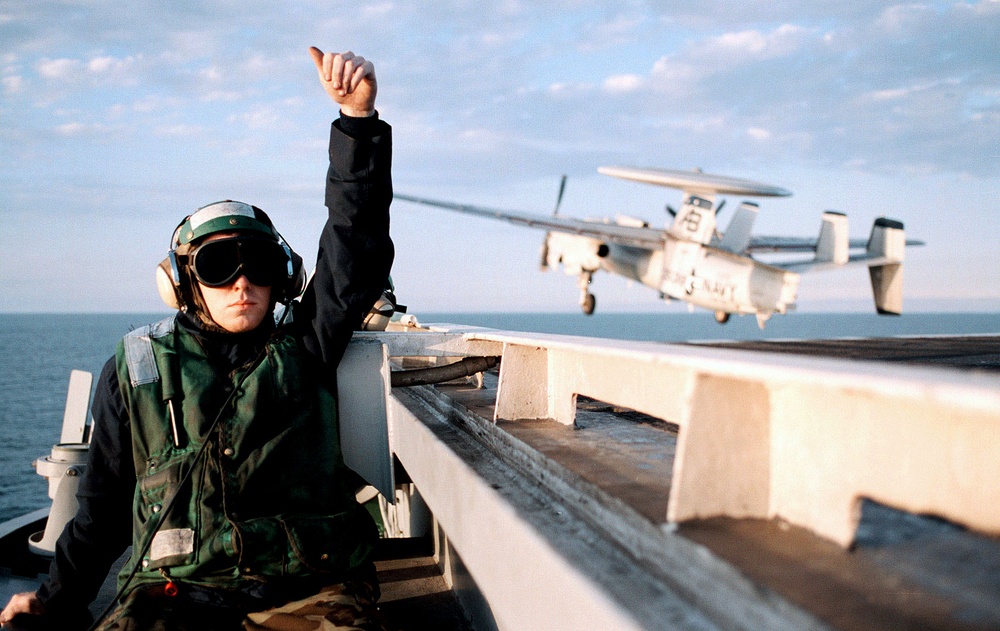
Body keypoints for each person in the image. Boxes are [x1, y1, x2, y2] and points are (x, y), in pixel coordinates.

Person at [0, 46, 394, 630]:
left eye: (259, 265)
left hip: (308, 589)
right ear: (184, 284)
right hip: (174, 594)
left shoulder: (306, 344)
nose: (242, 283)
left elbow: (353, 239)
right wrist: (57, 599)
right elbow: (102, 512)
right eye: (218, 268)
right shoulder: (136, 371)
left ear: (282, 275)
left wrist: (357, 121)